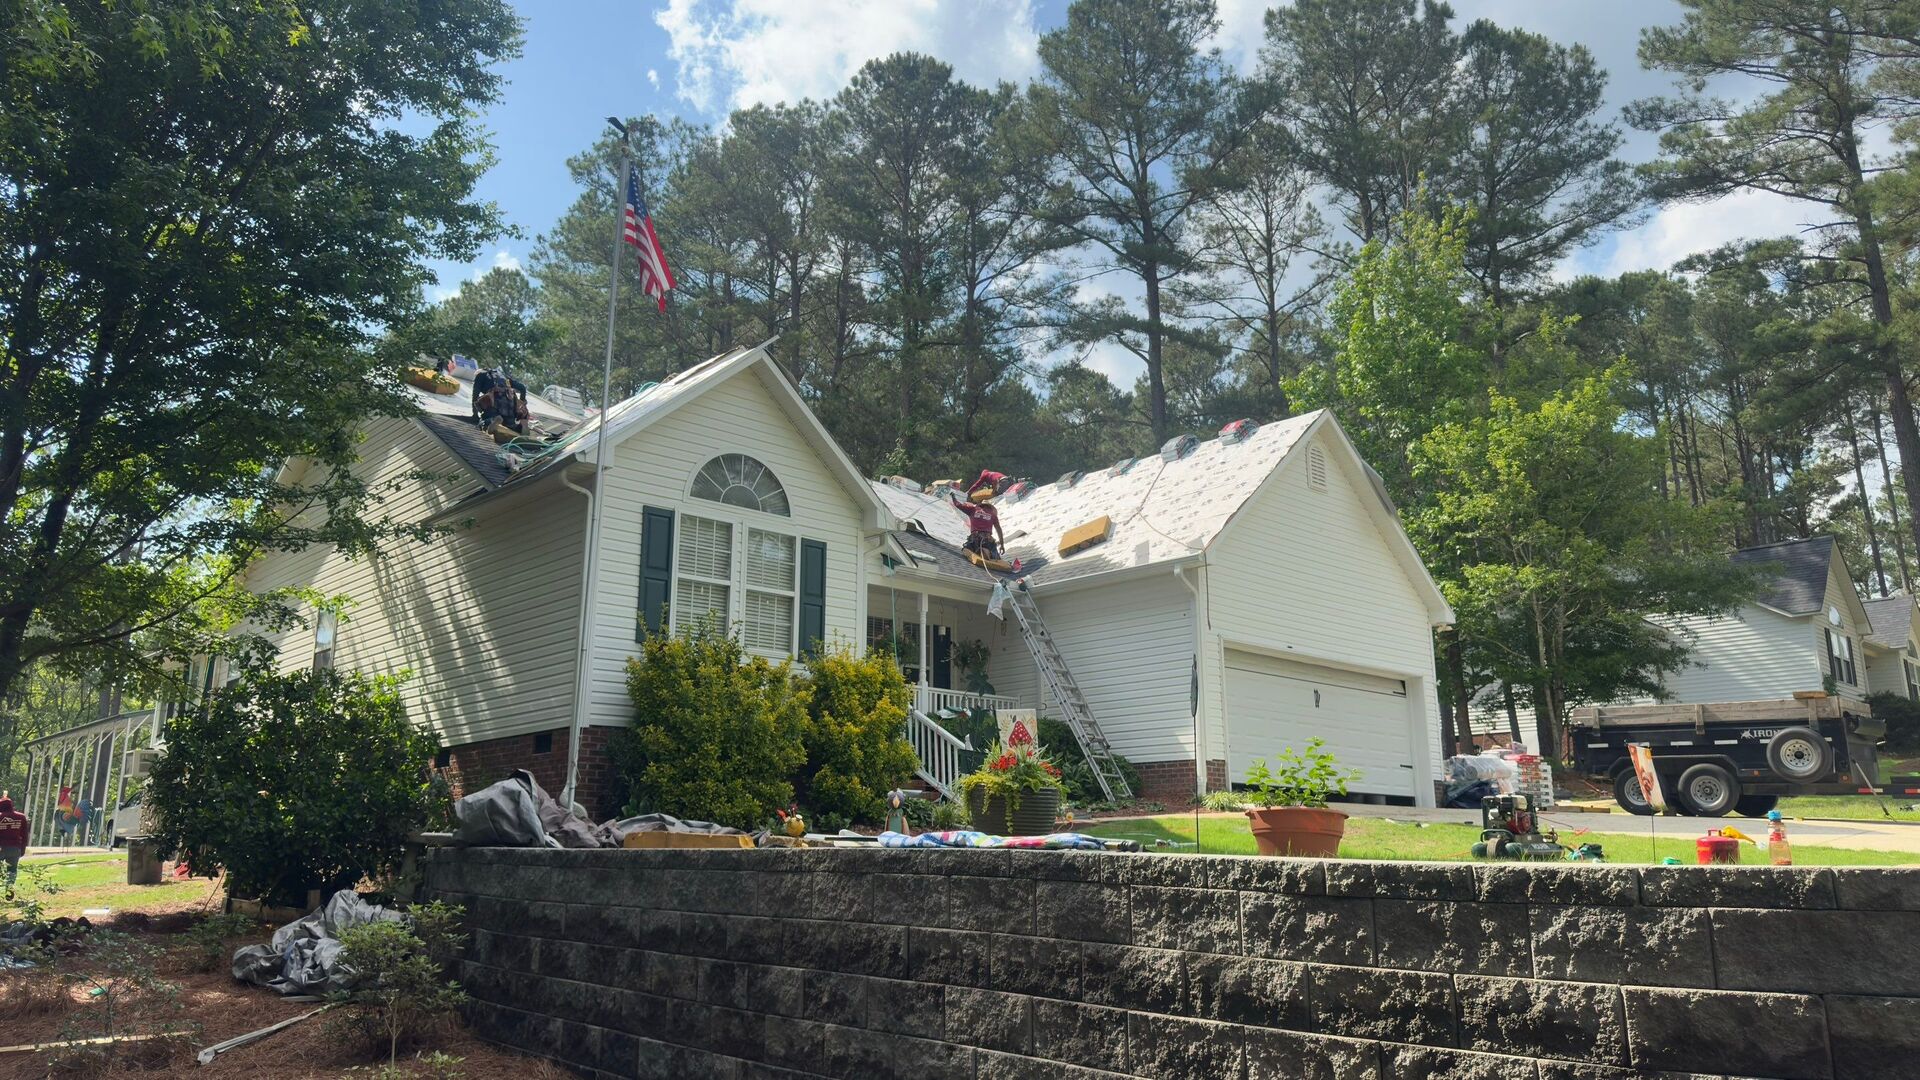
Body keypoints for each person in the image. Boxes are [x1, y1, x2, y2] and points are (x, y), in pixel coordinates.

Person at [950, 489, 1006, 563]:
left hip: (975, 538)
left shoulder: (973, 509)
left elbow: (958, 505)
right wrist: (1002, 545)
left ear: (981, 505)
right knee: (995, 557)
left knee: (967, 549)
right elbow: (999, 530)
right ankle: (987, 553)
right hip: (988, 539)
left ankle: (981, 551)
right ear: (990, 507)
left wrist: (953, 497)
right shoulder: (993, 515)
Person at [0, 794, 28, 900]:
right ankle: (9, 891)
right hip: (15, 848)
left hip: (1, 848)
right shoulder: (21, 817)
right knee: (11, 870)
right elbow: (25, 835)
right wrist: (23, 849)